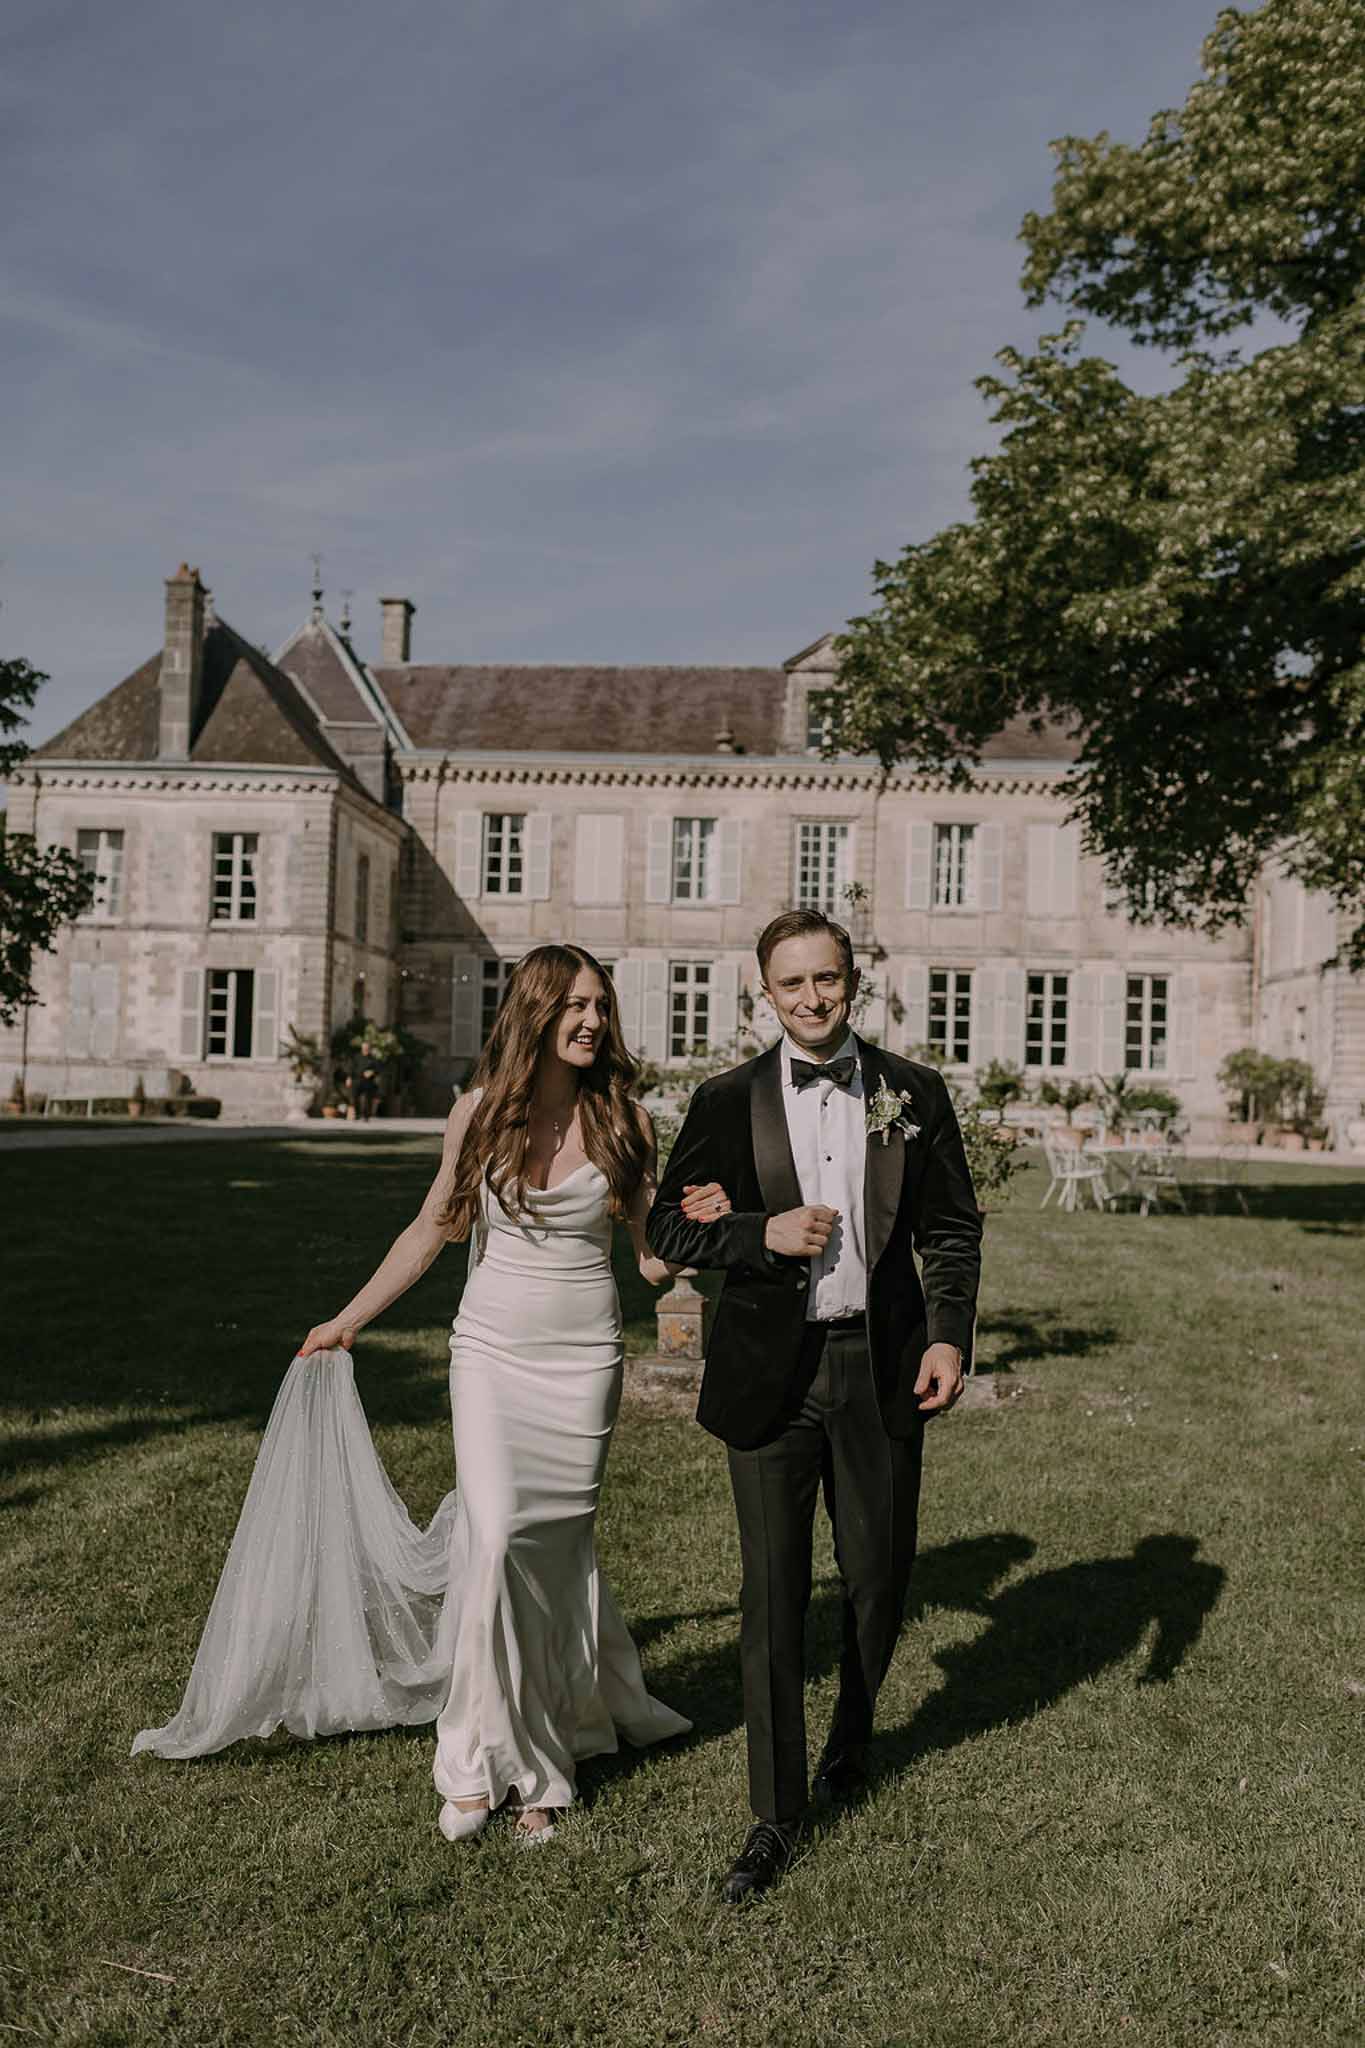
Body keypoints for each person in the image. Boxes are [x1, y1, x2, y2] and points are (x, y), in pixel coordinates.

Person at [134, 944, 691, 1843]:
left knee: (549, 1555)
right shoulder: (477, 1114)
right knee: (498, 1536)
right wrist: (348, 1318)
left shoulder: (626, 1121)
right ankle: (471, 1760)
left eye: (601, 1005)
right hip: (490, 1355)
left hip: (584, 1361)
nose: (591, 1021)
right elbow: (433, 1228)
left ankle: (543, 1769)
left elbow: (654, 1260)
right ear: (536, 1014)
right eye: (574, 1006)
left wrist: (698, 1232)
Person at [647, 909, 982, 1901]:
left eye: (826, 978)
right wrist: (760, 1231)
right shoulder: (725, 1100)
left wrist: (949, 1333)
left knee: (878, 1580)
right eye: (791, 983)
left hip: (878, 1372)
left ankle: (851, 1740)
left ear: (853, 981)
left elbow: (954, 1227)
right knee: (772, 1596)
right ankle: (773, 1813)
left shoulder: (911, 1094)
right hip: (769, 1377)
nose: (812, 996)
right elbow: (670, 1226)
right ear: (765, 993)